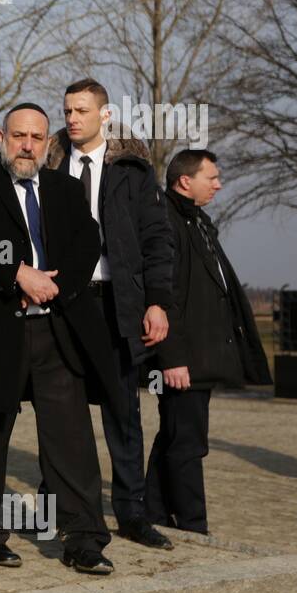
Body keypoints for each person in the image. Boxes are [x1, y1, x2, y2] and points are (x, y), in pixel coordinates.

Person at [0, 103, 121, 575]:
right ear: (0, 137)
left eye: (36, 138)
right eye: (18, 136)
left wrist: (54, 284)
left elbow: (87, 245)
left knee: (71, 440)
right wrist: (15, 275)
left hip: (57, 328)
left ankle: (84, 540)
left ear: (48, 143)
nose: (27, 145)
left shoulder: (65, 190)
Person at [51, 79, 174, 549]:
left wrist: (157, 302)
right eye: (67, 110)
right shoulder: (50, 166)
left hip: (118, 303)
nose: (72, 118)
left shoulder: (134, 172)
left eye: (81, 110)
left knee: (123, 411)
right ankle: (61, 505)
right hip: (64, 301)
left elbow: (157, 241)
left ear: (105, 115)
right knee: (61, 409)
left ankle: (131, 513)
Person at [147, 150, 269, 533]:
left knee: (175, 434)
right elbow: (165, 297)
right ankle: (193, 525)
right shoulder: (167, 221)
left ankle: (152, 510)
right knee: (188, 443)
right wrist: (173, 358)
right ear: (185, 181)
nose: (218, 184)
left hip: (198, 354)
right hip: (186, 357)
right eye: (211, 177)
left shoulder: (198, 221)